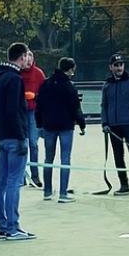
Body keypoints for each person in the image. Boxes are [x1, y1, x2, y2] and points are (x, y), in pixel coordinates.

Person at [0, 42, 35, 240]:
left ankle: (3, 226)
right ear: (21, 57)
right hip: (14, 136)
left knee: (1, 181)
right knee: (13, 182)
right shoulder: (15, 79)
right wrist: (21, 137)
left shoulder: (0, 78)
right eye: (27, 56)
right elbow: (14, 111)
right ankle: (12, 227)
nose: (29, 60)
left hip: (1, 136)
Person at [35, 57, 86, 203]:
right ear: (70, 70)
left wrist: (39, 125)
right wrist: (82, 124)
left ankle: (47, 191)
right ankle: (63, 193)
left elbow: (39, 106)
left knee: (48, 159)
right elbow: (75, 108)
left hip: (49, 126)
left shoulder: (46, 84)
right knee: (65, 159)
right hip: (65, 126)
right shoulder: (69, 86)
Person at [100, 54, 129, 196]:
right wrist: (104, 122)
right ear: (111, 67)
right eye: (116, 65)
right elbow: (104, 105)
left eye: (121, 64)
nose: (119, 67)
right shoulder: (107, 85)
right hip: (113, 127)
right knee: (118, 157)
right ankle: (124, 185)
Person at [20, 51, 46, 188]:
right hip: (21, 112)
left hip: (34, 112)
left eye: (30, 59)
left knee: (33, 144)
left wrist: (35, 96)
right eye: (26, 59)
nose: (28, 62)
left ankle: (35, 175)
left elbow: (45, 94)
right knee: (22, 143)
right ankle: (22, 175)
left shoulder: (39, 74)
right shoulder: (17, 74)